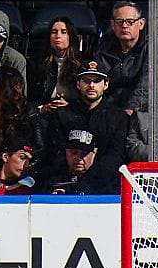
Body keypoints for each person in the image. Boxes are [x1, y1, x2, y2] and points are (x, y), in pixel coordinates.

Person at [39, 61, 142, 194]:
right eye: (86, 81)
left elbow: (115, 157)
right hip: (64, 185)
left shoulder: (119, 117)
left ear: (106, 84)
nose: (91, 85)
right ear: (78, 84)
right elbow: (55, 153)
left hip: (104, 187)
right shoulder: (62, 114)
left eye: (97, 81)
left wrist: (87, 184)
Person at [96, 1, 149, 114]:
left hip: (138, 112)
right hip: (107, 112)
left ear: (141, 24)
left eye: (130, 22)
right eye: (119, 21)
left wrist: (131, 109)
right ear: (112, 25)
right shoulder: (102, 51)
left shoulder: (150, 49)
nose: (124, 26)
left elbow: (146, 85)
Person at [28, 16, 83, 116]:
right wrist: (41, 108)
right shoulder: (36, 64)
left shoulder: (81, 65)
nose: (58, 36)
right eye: (54, 32)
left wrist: (69, 106)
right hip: (42, 116)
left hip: (73, 115)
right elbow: (29, 98)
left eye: (63, 32)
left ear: (70, 36)